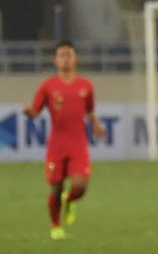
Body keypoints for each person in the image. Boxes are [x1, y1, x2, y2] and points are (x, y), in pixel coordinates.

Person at [23, 40, 107, 240]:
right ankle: (56, 225)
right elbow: (35, 112)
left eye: (69, 55)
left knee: (80, 185)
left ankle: (69, 201)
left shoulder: (85, 85)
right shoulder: (48, 86)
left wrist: (95, 124)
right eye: (61, 55)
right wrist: (28, 112)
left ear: (75, 58)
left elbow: (89, 110)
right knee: (56, 186)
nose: (65, 59)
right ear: (56, 59)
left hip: (78, 143)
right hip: (57, 145)